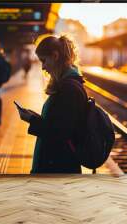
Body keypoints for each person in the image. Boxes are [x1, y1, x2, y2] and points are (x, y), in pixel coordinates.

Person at [17, 35, 87, 174]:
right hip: (57, 164)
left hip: (58, 167)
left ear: (55, 56)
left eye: (44, 60)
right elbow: (58, 124)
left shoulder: (69, 89)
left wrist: (31, 120)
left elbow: (60, 134)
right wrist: (35, 117)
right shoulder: (67, 85)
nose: (43, 67)